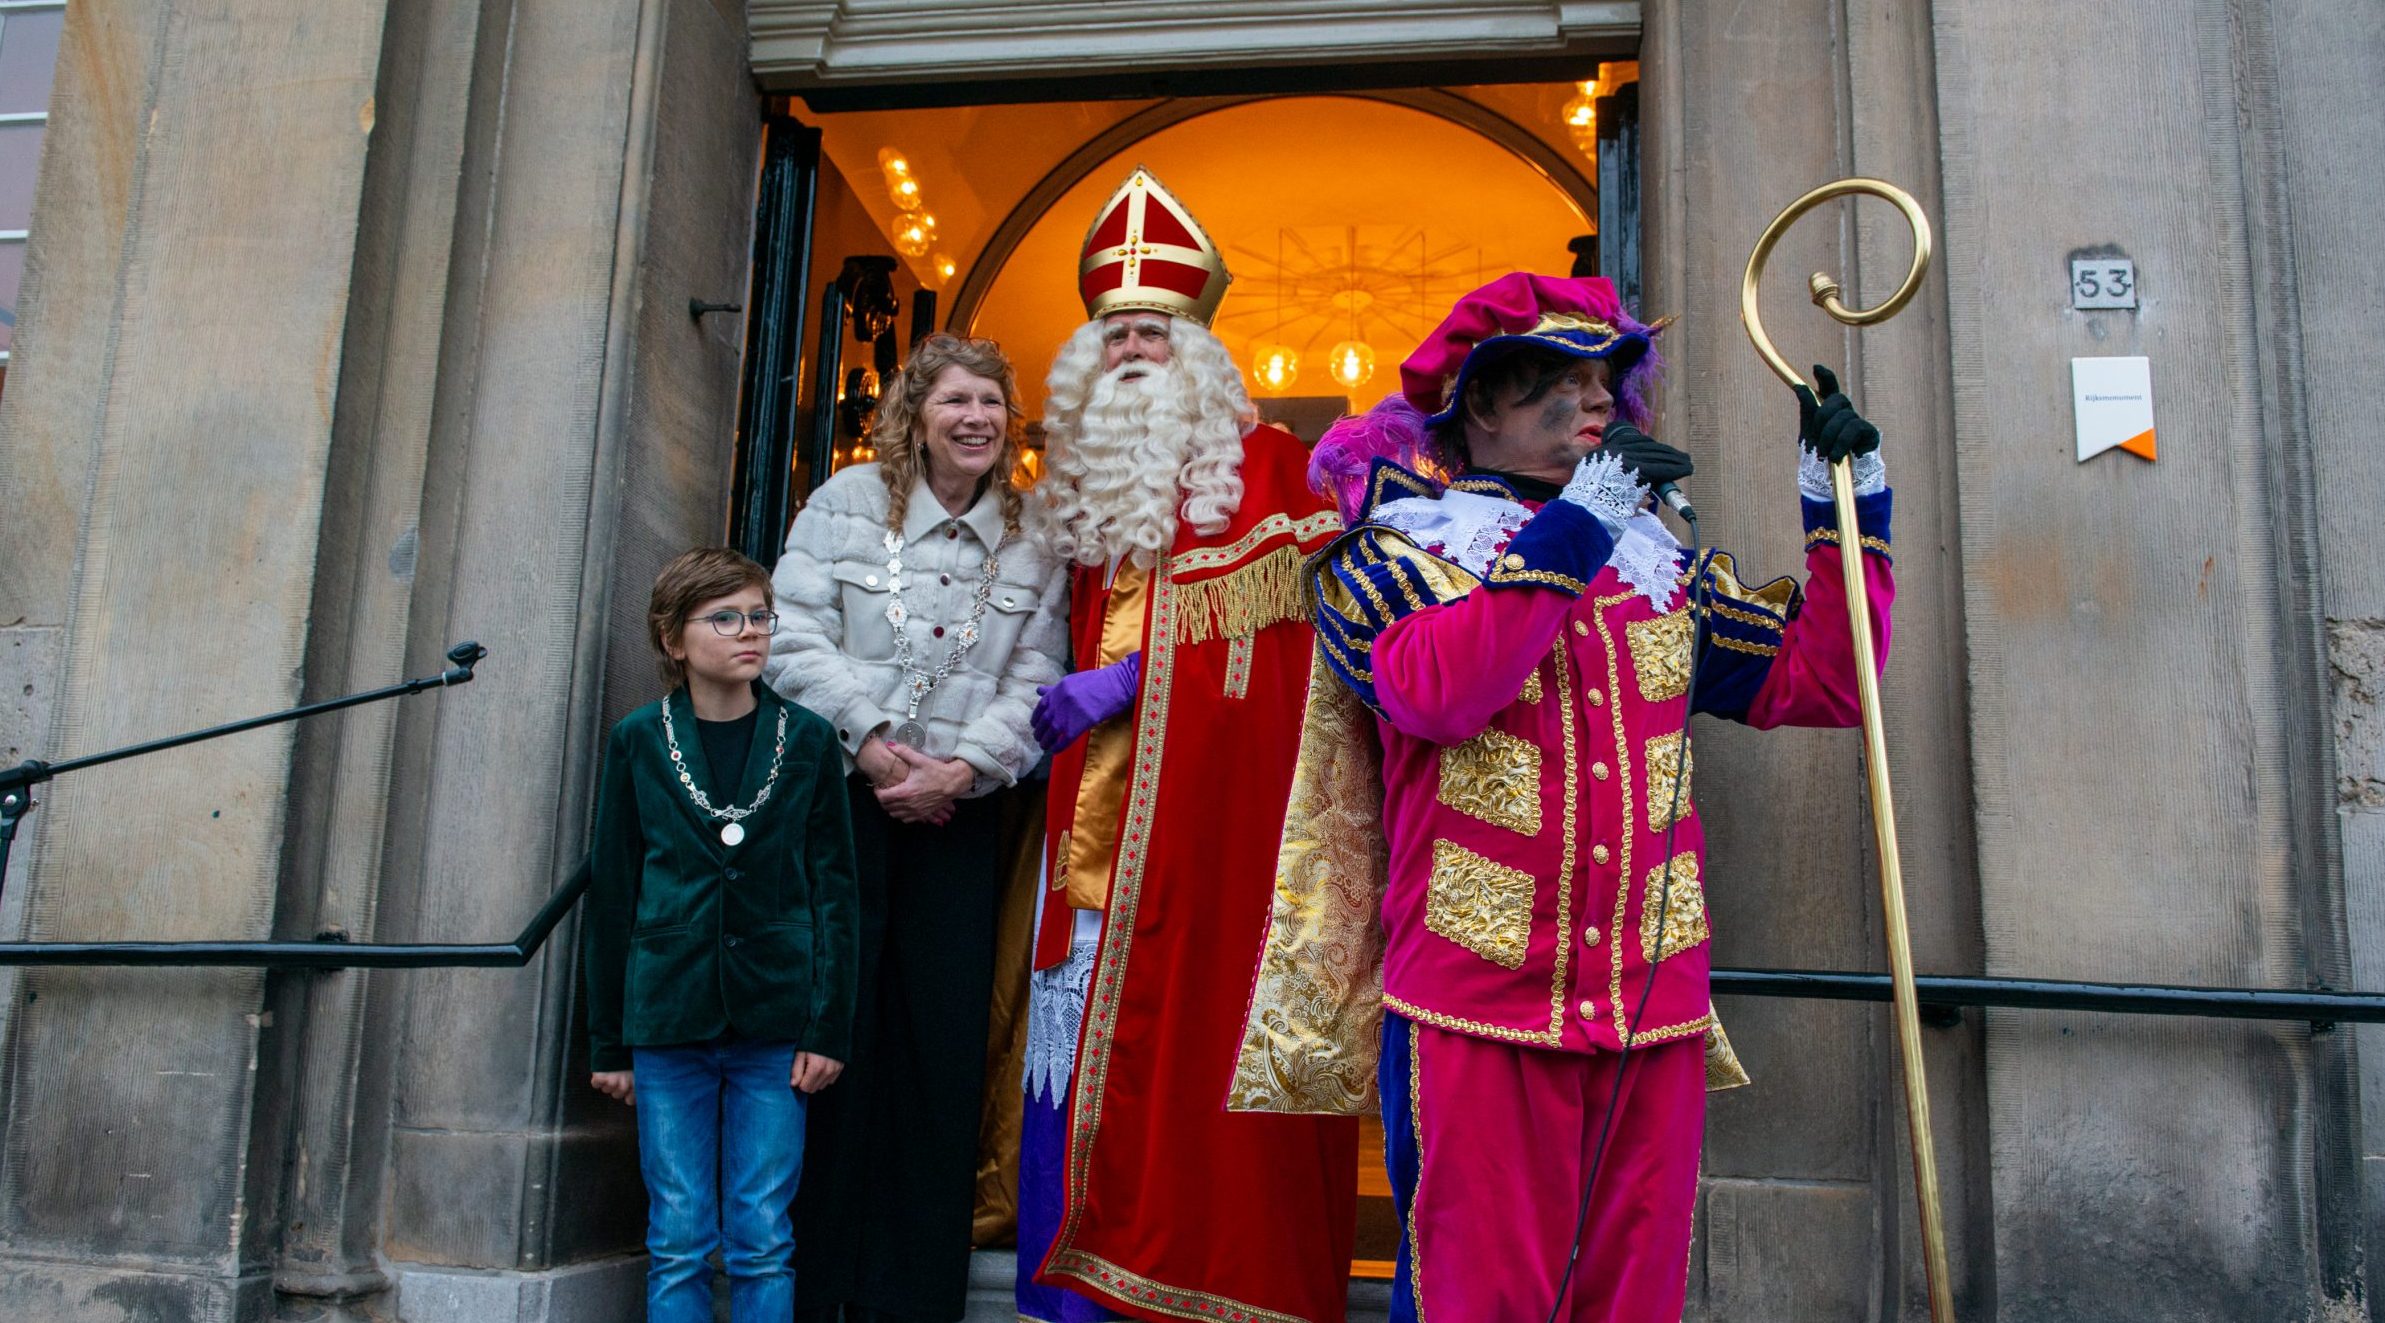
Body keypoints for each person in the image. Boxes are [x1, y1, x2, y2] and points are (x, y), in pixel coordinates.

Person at [1233, 272, 1896, 1322]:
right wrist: (1579, 524)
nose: (1597, 402)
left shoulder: (1658, 566)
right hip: (1478, 1009)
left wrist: (1845, 508)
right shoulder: (1393, 555)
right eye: (1558, 380)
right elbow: (1440, 693)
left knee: (1632, 1299)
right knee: (1478, 1299)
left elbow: (1826, 681)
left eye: (1605, 382)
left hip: (1649, 1006)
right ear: (1478, 405)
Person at [1017, 166, 1355, 1323]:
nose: (1129, 349)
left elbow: (1309, 673)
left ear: (1200, 346)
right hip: (1090, 855)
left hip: (1219, 861)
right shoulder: (1080, 497)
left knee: (1200, 1096)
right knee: (1080, 1076)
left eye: (1152, 329)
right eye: (1112, 332)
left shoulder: (1280, 473)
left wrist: (1135, 679)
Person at [768, 333, 1069, 1323]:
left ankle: (915, 1299)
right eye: (955, 400)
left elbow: (1040, 675)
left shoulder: (1035, 533)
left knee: (939, 1051)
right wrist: (872, 746)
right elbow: (792, 635)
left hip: (958, 816)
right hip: (846, 805)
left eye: (991, 402)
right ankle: (821, 1288)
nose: (975, 418)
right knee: (835, 1036)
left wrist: (962, 769)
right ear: (916, 414)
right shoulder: (845, 503)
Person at [582, 547, 861, 1323]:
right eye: (726, 618)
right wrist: (608, 1042)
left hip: (775, 1021)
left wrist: (826, 1027)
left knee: (762, 1233)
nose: (750, 632)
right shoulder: (639, 739)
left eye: (759, 616)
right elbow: (614, 893)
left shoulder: (807, 739)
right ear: (673, 638)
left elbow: (835, 895)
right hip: (668, 1017)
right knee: (677, 1235)